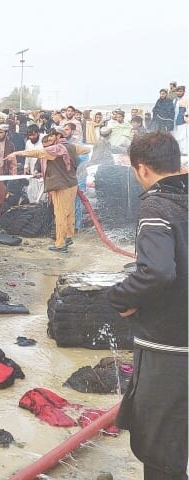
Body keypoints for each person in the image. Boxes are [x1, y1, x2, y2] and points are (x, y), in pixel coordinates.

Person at [107, 132, 187, 480]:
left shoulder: (156, 206)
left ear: (141, 169)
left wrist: (120, 298)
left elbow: (156, 271)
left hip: (168, 344)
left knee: (159, 445)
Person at [6, 126, 91, 252]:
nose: (50, 137)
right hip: (72, 184)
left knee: (60, 215)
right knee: (69, 213)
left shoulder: (56, 149)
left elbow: (36, 153)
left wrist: (16, 153)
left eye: (52, 135)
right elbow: (86, 149)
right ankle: (68, 236)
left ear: (59, 136)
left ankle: (60, 245)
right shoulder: (71, 147)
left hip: (61, 186)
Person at [172, 86, 188, 156]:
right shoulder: (175, 100)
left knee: (183, 137)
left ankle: (184, 151)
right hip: (175, 121)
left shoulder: (186, 99)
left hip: (183, 121)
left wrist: (185, 116)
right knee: (176, 136)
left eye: (180, 91)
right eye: (177, 91)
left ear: (184, 92)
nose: (179, 93)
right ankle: (178, 151)